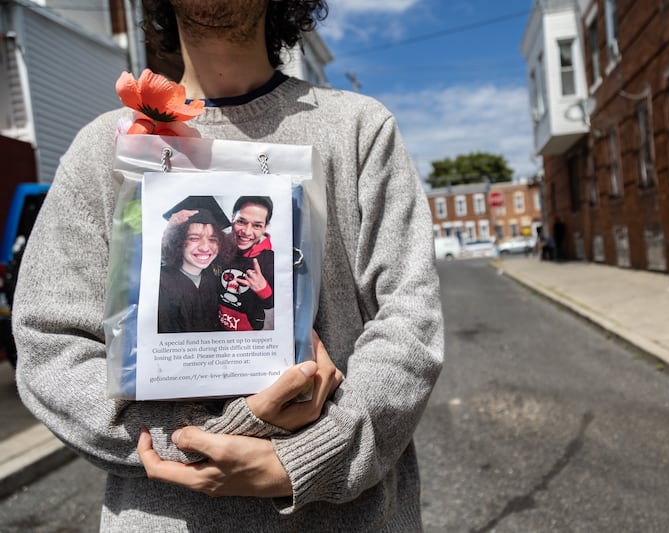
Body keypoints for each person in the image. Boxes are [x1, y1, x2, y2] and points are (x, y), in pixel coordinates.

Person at [12, 1, 443, 532]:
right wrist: (203, 438)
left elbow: (409, 322)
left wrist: (314, 453)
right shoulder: (107, 148)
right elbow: (50, 344)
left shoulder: (359, 129)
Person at [158, 197, 231, 333]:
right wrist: (168, 233)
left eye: (213, 239)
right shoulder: (161, 283)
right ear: (178, 241)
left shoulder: (212, 277)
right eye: (194, 238)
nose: (205, 247)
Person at [219, 196, 276, 331]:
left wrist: (263, 289)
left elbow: (270, 304)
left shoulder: (270, 260)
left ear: (265, 227)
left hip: (249, 330)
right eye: (241, 222)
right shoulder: (218, 247)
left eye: (257, 225)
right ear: (232, 219)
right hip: (215, 325)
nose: (246, 232)